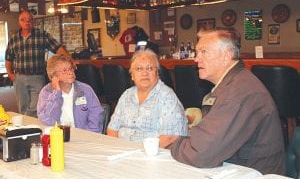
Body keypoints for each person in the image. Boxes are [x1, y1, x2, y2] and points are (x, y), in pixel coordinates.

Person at [171, 27, 285, 175]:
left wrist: (174, 143)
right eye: (197, 52)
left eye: (204, 51)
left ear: (227, 56)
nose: (196, 58)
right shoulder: (233, 83)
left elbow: (199, 154)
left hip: (254, 174)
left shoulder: (238, 92)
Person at [107, 49, 188, 148]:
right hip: (122, 151)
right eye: (139, 69)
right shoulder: (126, 95)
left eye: (149, 68)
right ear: (132, 75)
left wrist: (138, 152)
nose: (145, 73)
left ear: (157, 74)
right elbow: (112, 129)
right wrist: (118, 148)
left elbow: (170, 137)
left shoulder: (166, 96)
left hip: (152, 154)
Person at [5, 10, 72, 117]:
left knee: (36, 105)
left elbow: (58, 48)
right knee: (22, 105)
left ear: (33, 21)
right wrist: (10, 74)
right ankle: (26, 128)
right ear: (19, 22)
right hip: (19, 78)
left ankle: (27, 121)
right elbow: (8, 58)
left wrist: (69, 61)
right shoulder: (14, 39)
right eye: (23, 20)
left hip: (37, 77)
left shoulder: (42, 35)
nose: (27, 22)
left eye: (29, 20)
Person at [37, 54, 104, 133]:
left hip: (84, 135)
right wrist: (56, 93)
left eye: (71, 68)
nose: (70, 72)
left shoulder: (85, 90)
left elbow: (96, 115)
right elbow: (48, 121)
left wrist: (88, 134)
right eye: (64, 70)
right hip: (58, 135)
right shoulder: (46, 92)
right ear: (53, 75)